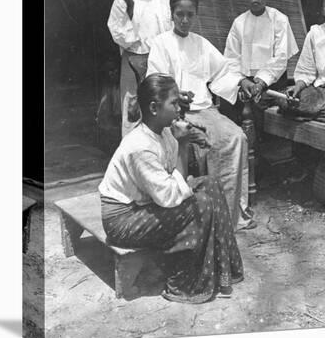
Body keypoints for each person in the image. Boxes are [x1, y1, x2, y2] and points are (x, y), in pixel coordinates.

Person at [98, 74, 244, 303]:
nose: (179, 108)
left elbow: (173, 181)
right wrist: (184, 145)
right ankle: (185, 283)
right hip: (122, 220)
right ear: (154, 107)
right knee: (202, 203)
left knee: (212, 184)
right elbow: (170, 197)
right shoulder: (140, 147)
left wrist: (188, 139)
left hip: (146, 204)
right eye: (174, 103)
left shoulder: (163, 132)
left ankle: (223, 271)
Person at [146, 0, 255, 231]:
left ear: (196, 14)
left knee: (235, 137)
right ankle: (204, 214)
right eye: (179, 14)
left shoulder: (201, 43)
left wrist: (241, 80)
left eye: (190, 15)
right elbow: (154, 83)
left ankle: (227, 214)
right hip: (173, 113)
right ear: (171, 14)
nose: (184, 20)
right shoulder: (161, 43)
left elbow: (223, 71)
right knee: (202, 140)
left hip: (204, 110)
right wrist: (173, 95)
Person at [107, 0, 172, 137]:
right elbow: (122, 37)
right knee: (133, 111)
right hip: (133, 64)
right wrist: (130, 9)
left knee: (159, 109)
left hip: (157, 62)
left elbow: (168, 31)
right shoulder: (121, 0)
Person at [223, 0, 299, 127]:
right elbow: (231, 59)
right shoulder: (239, 23)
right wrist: (242, 81)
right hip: (245, 82)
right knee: (226, 100)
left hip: (272, 83)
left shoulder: (279, 20)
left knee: (257, 104)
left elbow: (280, 58)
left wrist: (261, 83)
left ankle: (262, 149)